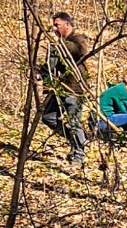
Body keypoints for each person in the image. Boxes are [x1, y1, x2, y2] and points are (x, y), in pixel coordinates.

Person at [39, 12, 92, 167]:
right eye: (54, 25)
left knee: (74, 121)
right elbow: (51, 65)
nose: (54, 28)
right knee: (48, 117)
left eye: (57, 25)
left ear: (67, 25)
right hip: (58, 88)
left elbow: (80, 52)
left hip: (73, 89)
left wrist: (60, 43)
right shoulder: (57, 44)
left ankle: (79, 154)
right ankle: (77, 139)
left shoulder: (77, 39)